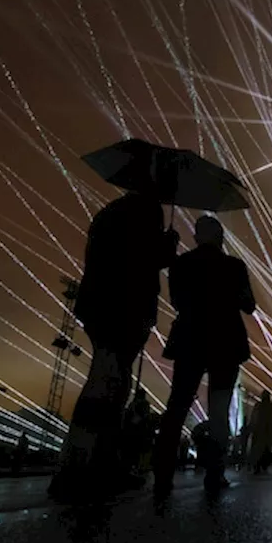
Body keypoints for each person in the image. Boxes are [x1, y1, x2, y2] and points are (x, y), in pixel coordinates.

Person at [50, 188, 178, 501]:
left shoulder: (109, 212)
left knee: (111, 377)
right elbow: (146, 257)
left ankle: (92, 460)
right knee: (109, 379)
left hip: (100, 304)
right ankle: (81, 467)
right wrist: (169, 244)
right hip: (124, 307)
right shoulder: (147, 210)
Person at [154, 215, 256, 495]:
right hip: (226, 341)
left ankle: (163, 473)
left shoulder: (181, 264)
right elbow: (249, 305)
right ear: (221, 238)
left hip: (190, 339)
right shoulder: (234, 266)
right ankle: (215, 473)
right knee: (220, 410)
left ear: (196, 237)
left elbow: (176, 301)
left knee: (177, 405)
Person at [244, 390, 272, 475]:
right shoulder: (271, 407)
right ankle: (262, 466)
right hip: (265, 432)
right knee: (264, 450)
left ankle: (258, 466)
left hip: (260, 432)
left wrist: (251, 428)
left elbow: (254, 418)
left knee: (259, 450)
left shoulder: (259, 406)